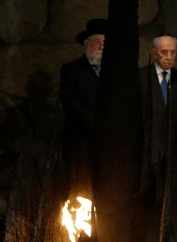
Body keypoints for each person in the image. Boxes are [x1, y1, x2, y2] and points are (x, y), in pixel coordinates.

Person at [138, 34, 177, 242]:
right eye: (164, 52)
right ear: (154, 53)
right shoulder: (141, 77)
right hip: (146, 148)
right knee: (147, 195)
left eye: (172, 53)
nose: (169, 57)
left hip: (171, 148)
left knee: (170, 197)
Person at [59, 18, 107, 196]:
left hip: (108, 141)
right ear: (86, 43)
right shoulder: (71, 70)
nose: (101, 46)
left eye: (105, 42)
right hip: (80, 140)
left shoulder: (114, 73)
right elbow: (70, 102)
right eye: (97, 42)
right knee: (79, 185)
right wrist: (95, 124)